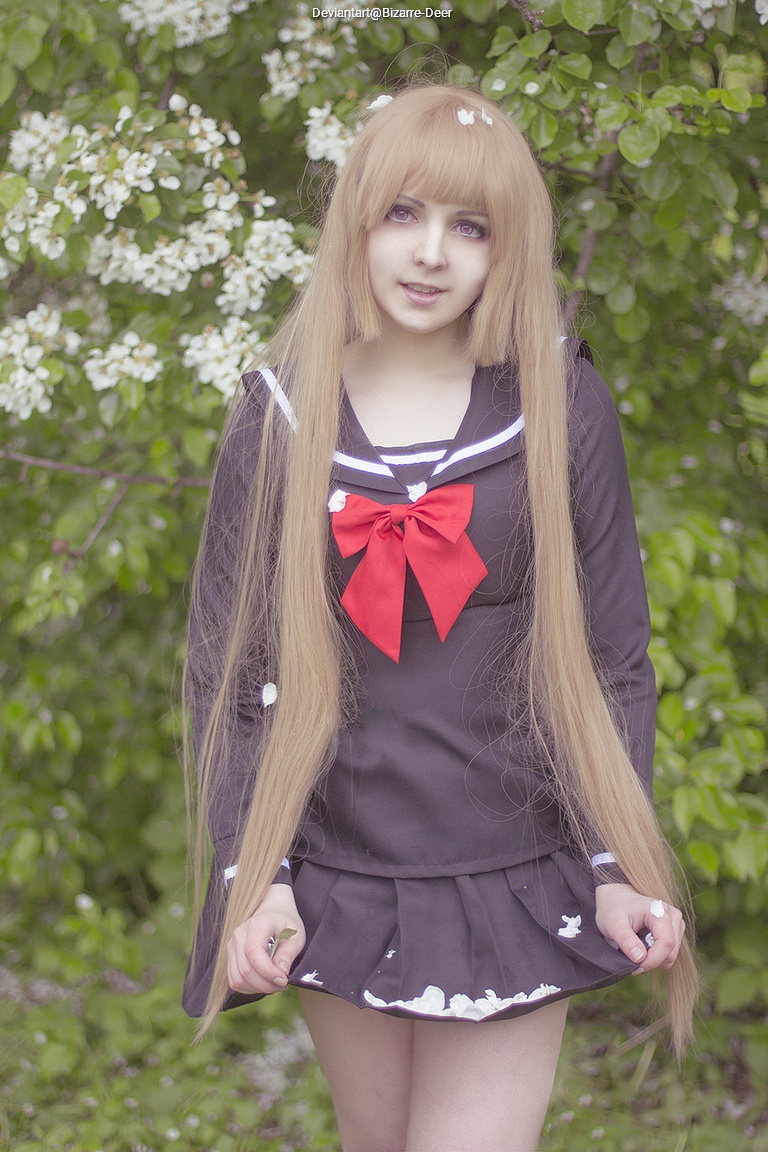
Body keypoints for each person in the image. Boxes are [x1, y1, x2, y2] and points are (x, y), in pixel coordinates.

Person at [183, 85, 697, 1151]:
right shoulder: (280, 416)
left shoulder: (557, 399)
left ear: (507, 249)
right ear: (357, 225)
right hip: (335, 863)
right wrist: (256, 879)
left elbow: (613, 659)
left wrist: (618, 866)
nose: (431, 254)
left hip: (516, 859)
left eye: (470, 227)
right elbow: (231, 684)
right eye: (403, 215)